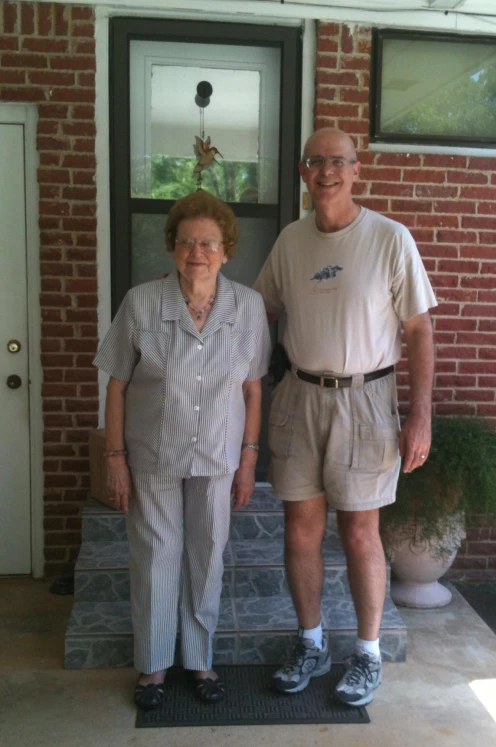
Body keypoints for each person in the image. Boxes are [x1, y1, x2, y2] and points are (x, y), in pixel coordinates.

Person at [253, 128, 437, 707]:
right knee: (300, 530)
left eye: (338, 161)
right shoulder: (289, 242)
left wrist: (420, 413)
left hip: (367, 400)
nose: (326, 171)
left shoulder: (389, 238)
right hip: (299, 396)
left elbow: (419, 331)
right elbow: (261, 311)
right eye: (315, 161)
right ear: (304, 172)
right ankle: (310, 642)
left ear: (357, 170)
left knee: (360, 533)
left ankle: (366, 653)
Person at [93, 190, 270, 709]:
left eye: (209, 243)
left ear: (227, 249)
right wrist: (114, 458)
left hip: (218, 458)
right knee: (155, 558)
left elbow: (254, 388)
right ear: (172, 247)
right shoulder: (141, 303)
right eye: (188, 242)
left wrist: (249, 459)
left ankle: (199, 660)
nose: (198, 252)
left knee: (206, 556)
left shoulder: (248, 308)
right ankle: (152, 668)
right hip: (152, 457)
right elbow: (117, 386)